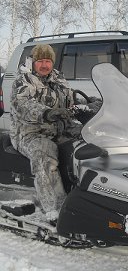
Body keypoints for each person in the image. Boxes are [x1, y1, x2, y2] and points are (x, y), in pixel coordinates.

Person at [10, 44, 82, 222]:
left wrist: (88, 104)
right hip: (29, 132)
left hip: (58, 129)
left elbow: (71, 98)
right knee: (45, 155)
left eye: (48, 61)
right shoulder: (23, 81)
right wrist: (46, 112)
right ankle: (55, 210)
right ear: (33, 62)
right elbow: (23, 105)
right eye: (40, 61)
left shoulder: (58, 78)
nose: (44, 65)